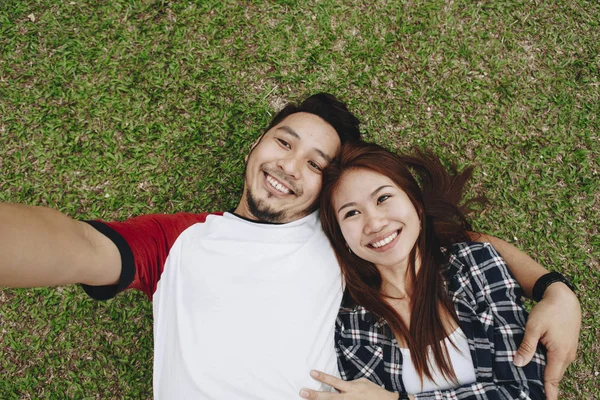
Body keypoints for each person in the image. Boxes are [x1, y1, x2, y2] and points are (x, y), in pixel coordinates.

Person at [0, 93, 579, 399]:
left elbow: (454, 241)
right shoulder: (184, 239)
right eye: (284, 141)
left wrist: (555, 290)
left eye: (316, 165)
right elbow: (75, 245)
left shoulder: (342, 234)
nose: (289, 167)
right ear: (257, 145)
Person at [300, 141, 551, 399]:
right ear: (342, 238)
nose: (374, 223)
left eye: (383, 198)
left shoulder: (475, 265)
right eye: (351, 213)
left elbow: (528, 391)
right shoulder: (352, 326)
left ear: (415, 204)